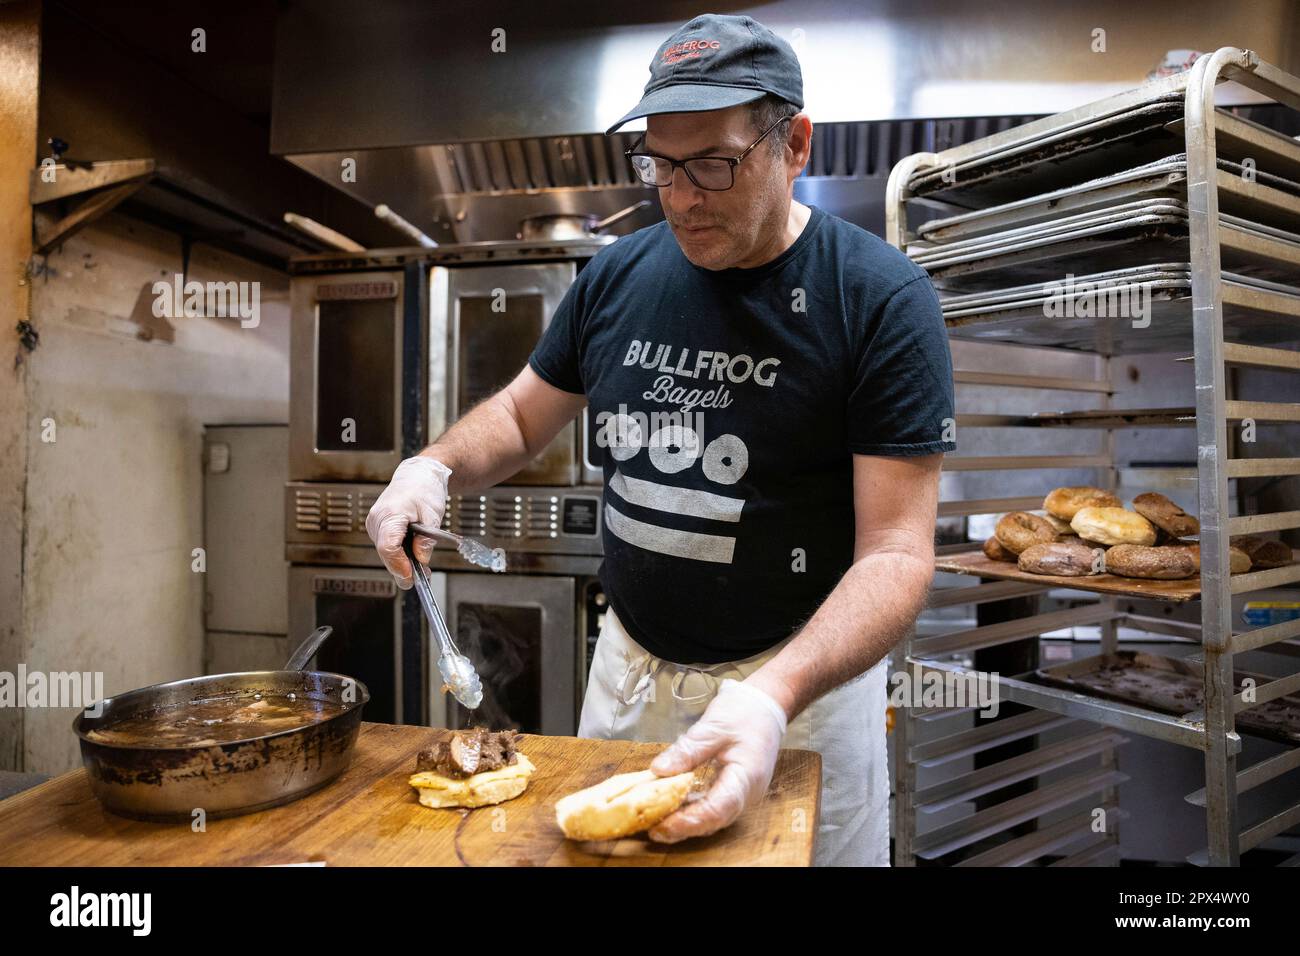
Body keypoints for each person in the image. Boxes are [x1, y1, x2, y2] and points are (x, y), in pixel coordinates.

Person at [366, 12, 954, 866]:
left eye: (713, 162)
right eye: (659, 162)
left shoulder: (879, 298)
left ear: (794, 145)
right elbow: (526, 416)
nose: (680, 194)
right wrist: (434, 464)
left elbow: (897, 554)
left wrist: (771, 697)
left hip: (795, 702)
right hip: (629, 677)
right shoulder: (616, 274)